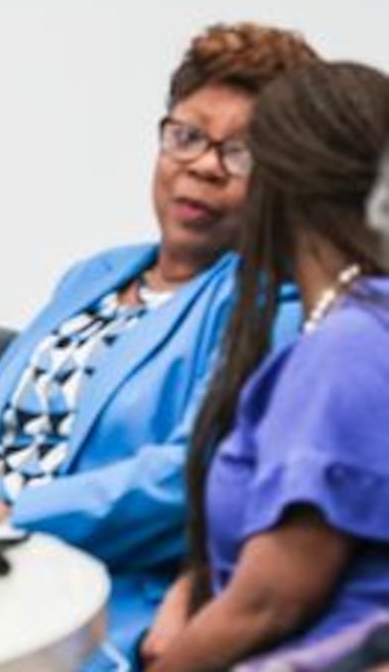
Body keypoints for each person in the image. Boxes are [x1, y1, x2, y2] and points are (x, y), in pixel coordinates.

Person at [0, 23, 316, 663]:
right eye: (187, 136)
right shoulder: (91, 276)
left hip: (99, 599)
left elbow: (190, 472)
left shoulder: (268, 304)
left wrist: (16, 517)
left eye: (239, 152)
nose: (201, 165)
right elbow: (2, 428)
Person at [142, 61, 389, 670]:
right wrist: (191, 583)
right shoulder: (354, 326)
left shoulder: (346, 348)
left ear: (279, 185)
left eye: (243, 158)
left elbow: (269, 603)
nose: (212, 173)